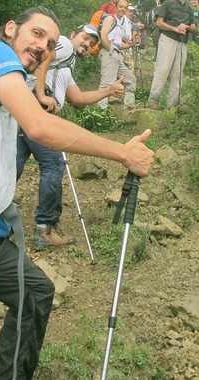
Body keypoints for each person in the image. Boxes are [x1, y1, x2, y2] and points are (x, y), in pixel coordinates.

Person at [0, 7, 154, 380]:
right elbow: (38, 126)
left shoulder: (8, 77)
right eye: (36, 34)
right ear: (10, 29)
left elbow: (35, 114)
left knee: (35, 294)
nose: (42, 46)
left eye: (50, 43)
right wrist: (122, 153)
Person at [16, 24, 124, 249]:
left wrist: (108, 91)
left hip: (24, 111)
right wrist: (40, 94)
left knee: (11, 166)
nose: (87, 44)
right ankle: (45, 228)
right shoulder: (63, 43)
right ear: (74, 34)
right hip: (37, 110)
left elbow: (77, 97)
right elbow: (46, 56)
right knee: (54, 163)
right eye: (85, 38)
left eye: (92, 43)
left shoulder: (67, 65)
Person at [147, 0, 197, 109]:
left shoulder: (189, 9)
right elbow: (159, 22)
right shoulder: (167, 4)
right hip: (168, 38)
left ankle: (173, 105)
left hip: (182, 42)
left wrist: (186, 26)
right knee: (162, 69)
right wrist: (174, 28)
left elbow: (194, 27)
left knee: (178, 73)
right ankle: (153, 100)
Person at [97, 0, 138, 110]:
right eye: (121, 6)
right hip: (108, 53)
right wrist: (110, 50)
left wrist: (131, 44)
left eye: (125, 7)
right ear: (115, 7)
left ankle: (129, 108)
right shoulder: (110, 19)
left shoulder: (120, 23)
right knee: (106, 84)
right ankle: (100, 113)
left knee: (131, 79)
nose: (123, 9)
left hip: (116, 54)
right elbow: (103, 35)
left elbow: (119, 45)